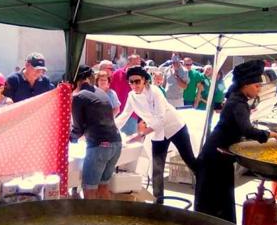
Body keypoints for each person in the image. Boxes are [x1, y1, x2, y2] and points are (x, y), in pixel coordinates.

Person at [195, 60, 277, 223]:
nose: (259, 90)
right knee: (216, 199)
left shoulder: (237, 100)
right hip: (215, 157)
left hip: (218, 153)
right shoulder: (238, 103)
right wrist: (272, 135)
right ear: (245, 85)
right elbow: (247, 130)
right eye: (257, 86)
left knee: (217, 197)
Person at [115, 66, 197, 202]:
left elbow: (160, 119)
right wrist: (110, 127)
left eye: (137, 81)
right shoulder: (131, 96)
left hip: (175, 127)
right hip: (158, 132)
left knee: (190, 160)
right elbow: (124, 115)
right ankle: (159, 202)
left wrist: (141, 134)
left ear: (145, 81)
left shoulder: (155, 92)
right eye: (131, 82)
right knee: (157, 168)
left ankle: (203, 191)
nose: (134, 85)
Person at [71, 65, 122, 199]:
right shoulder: (101, 93)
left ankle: (91, 220)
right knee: (103, 187)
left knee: (89, 191)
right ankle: (107, 219)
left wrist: (69, 138)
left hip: (99, 146)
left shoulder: (79, 97)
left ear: (76, 80)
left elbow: (77, 129)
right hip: (116, 143)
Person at [111, 54, 141, 134]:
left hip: (132, 115)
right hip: (116, 113)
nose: (136, 67)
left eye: (138, 65)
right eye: (134, 64)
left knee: (129, 142)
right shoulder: (116, 74)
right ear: (128, 63)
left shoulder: (141, 77)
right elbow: (110, 92)